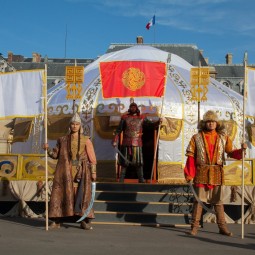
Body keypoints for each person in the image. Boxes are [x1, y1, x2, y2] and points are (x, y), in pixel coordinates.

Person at [184, 110, 247, 236]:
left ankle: (222, 227)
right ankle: (194, 227)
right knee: (199, 201)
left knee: (218, 201)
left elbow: (231, 152)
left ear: (217, 123)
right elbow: (191, 157)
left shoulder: (223, 138)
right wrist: (190, 173)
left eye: (213, 122)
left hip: (217, 172)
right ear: (204, 123)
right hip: (202, 172)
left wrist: (242, 150)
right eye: (208, 122)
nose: (211, 124)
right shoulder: (196, 138)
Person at [43, 113, 97, 230]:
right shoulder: (62, 140)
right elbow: (55, 155)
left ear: (80, 125)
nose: (74, 126)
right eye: (73, 124)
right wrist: (47, 150)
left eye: (77, 124)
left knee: (82, 195)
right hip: (65, 172)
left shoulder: (86, 140)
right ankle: (57, 221)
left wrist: (93, 172)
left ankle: (84, 221)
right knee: (62, 194)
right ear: (70, 125)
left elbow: (92, 157)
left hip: (81, 172)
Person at [112, 102, 160, 183]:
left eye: (134, 107)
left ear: (137, 108)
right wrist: (115, 140)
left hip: (137, 142)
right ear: (129, 108)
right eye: (132, 107)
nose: (133, 108)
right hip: (126, 142)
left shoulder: (141, 118)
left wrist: (158, 122)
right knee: (124, 162)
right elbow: (118, 130)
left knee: (138, 162)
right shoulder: (124, 118)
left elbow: (150, 125)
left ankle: (141, 179)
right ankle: (121, 179)